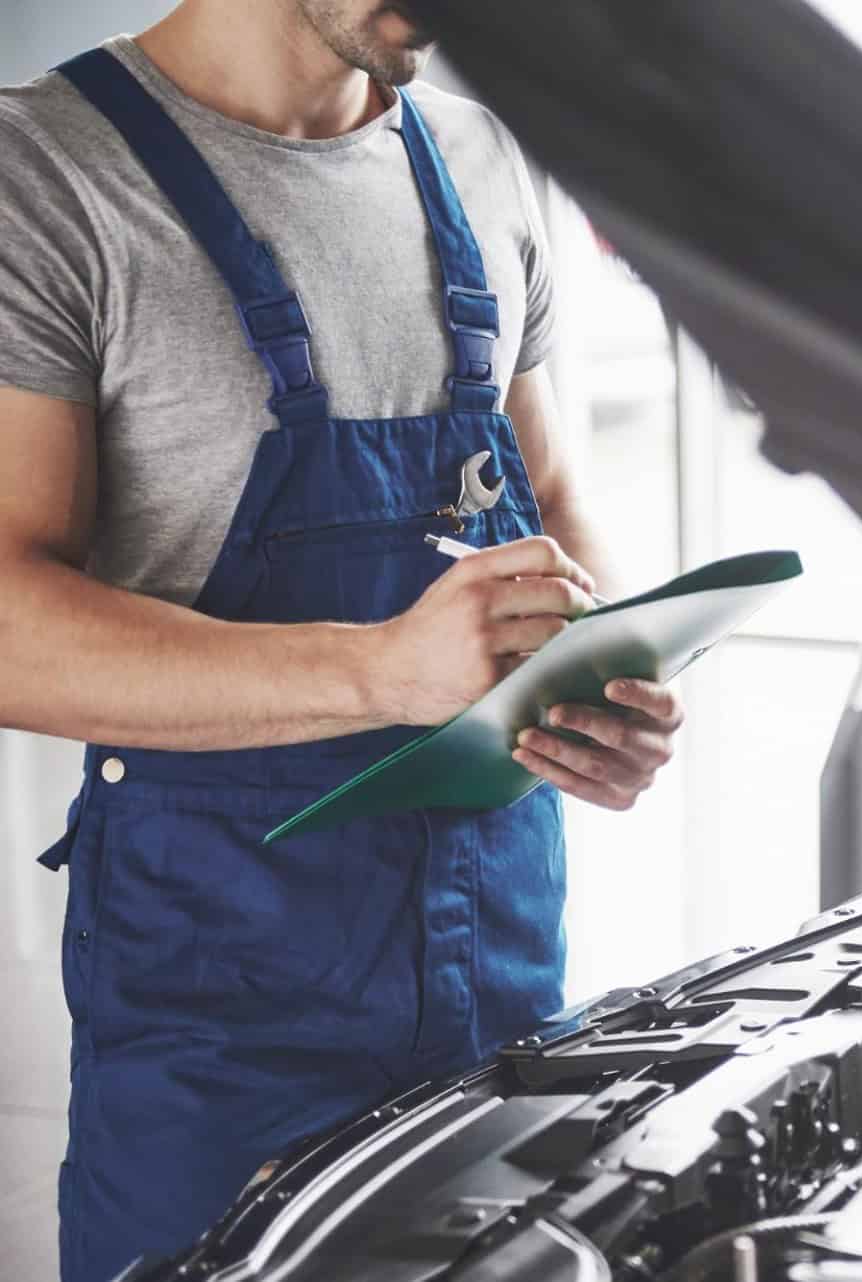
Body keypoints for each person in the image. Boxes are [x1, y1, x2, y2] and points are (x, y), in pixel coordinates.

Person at [0, 3, 682, 1277]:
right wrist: (380, 670)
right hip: (221, 1039)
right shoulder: (40, 176)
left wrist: (608, 674)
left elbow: (554, 489)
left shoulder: (483, 157)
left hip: (504, 999)